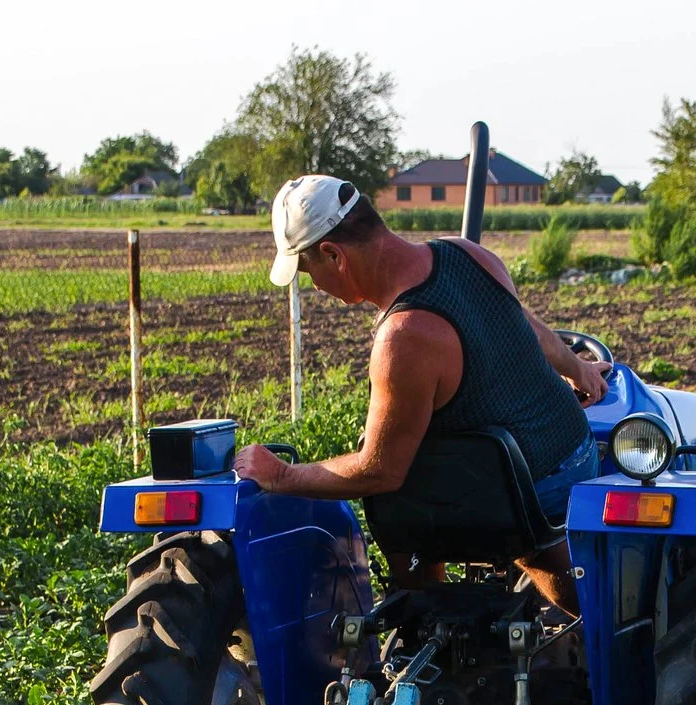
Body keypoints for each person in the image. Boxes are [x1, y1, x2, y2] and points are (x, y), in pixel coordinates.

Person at [234, 174, 608, 608]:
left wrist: (280, 476)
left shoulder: (404, 337)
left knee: (397, 487)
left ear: (333, 255)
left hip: (530, 491)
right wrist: (577, 366)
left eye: (306, 268)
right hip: (576, 450)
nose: (314, 285)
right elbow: (520, 321)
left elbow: (380, 470)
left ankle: (427, 615)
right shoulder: (468, 254)